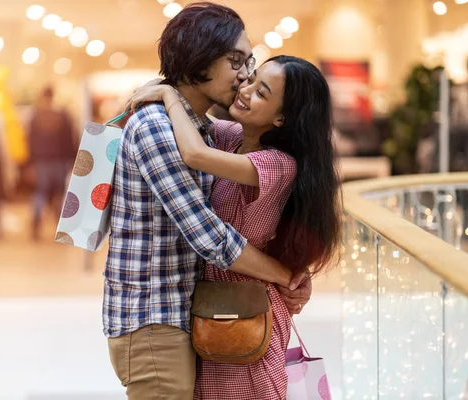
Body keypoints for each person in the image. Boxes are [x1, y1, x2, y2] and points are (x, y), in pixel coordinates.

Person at [103, 3, 312, 399]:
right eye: (235, 61)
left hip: (183, 313)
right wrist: (285, 277)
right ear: (199, 57)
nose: (245, 75)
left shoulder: (202, 132)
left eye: (248, 62)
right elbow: (211, 237)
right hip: (153, 318)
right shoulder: (158, 129)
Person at [128, 55, 343, 398]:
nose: (246, 90)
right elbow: (197, 119)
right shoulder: (234, 139)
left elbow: (195, 153)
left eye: (262, 92)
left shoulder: (277, 164)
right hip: (215, 305)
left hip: (247, 308)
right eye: (251, 79)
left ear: (281, 118)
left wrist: (168, 96)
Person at [27, 85, 78, 240]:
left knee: (40, 192)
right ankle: (60, 225)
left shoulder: (36, 115)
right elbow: (70, 139)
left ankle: (36, 222)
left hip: (41, 161)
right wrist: (72, 159)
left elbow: (29, 140)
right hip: (60, 161)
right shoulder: (62, 115)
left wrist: (29, 162)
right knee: (59, 193)